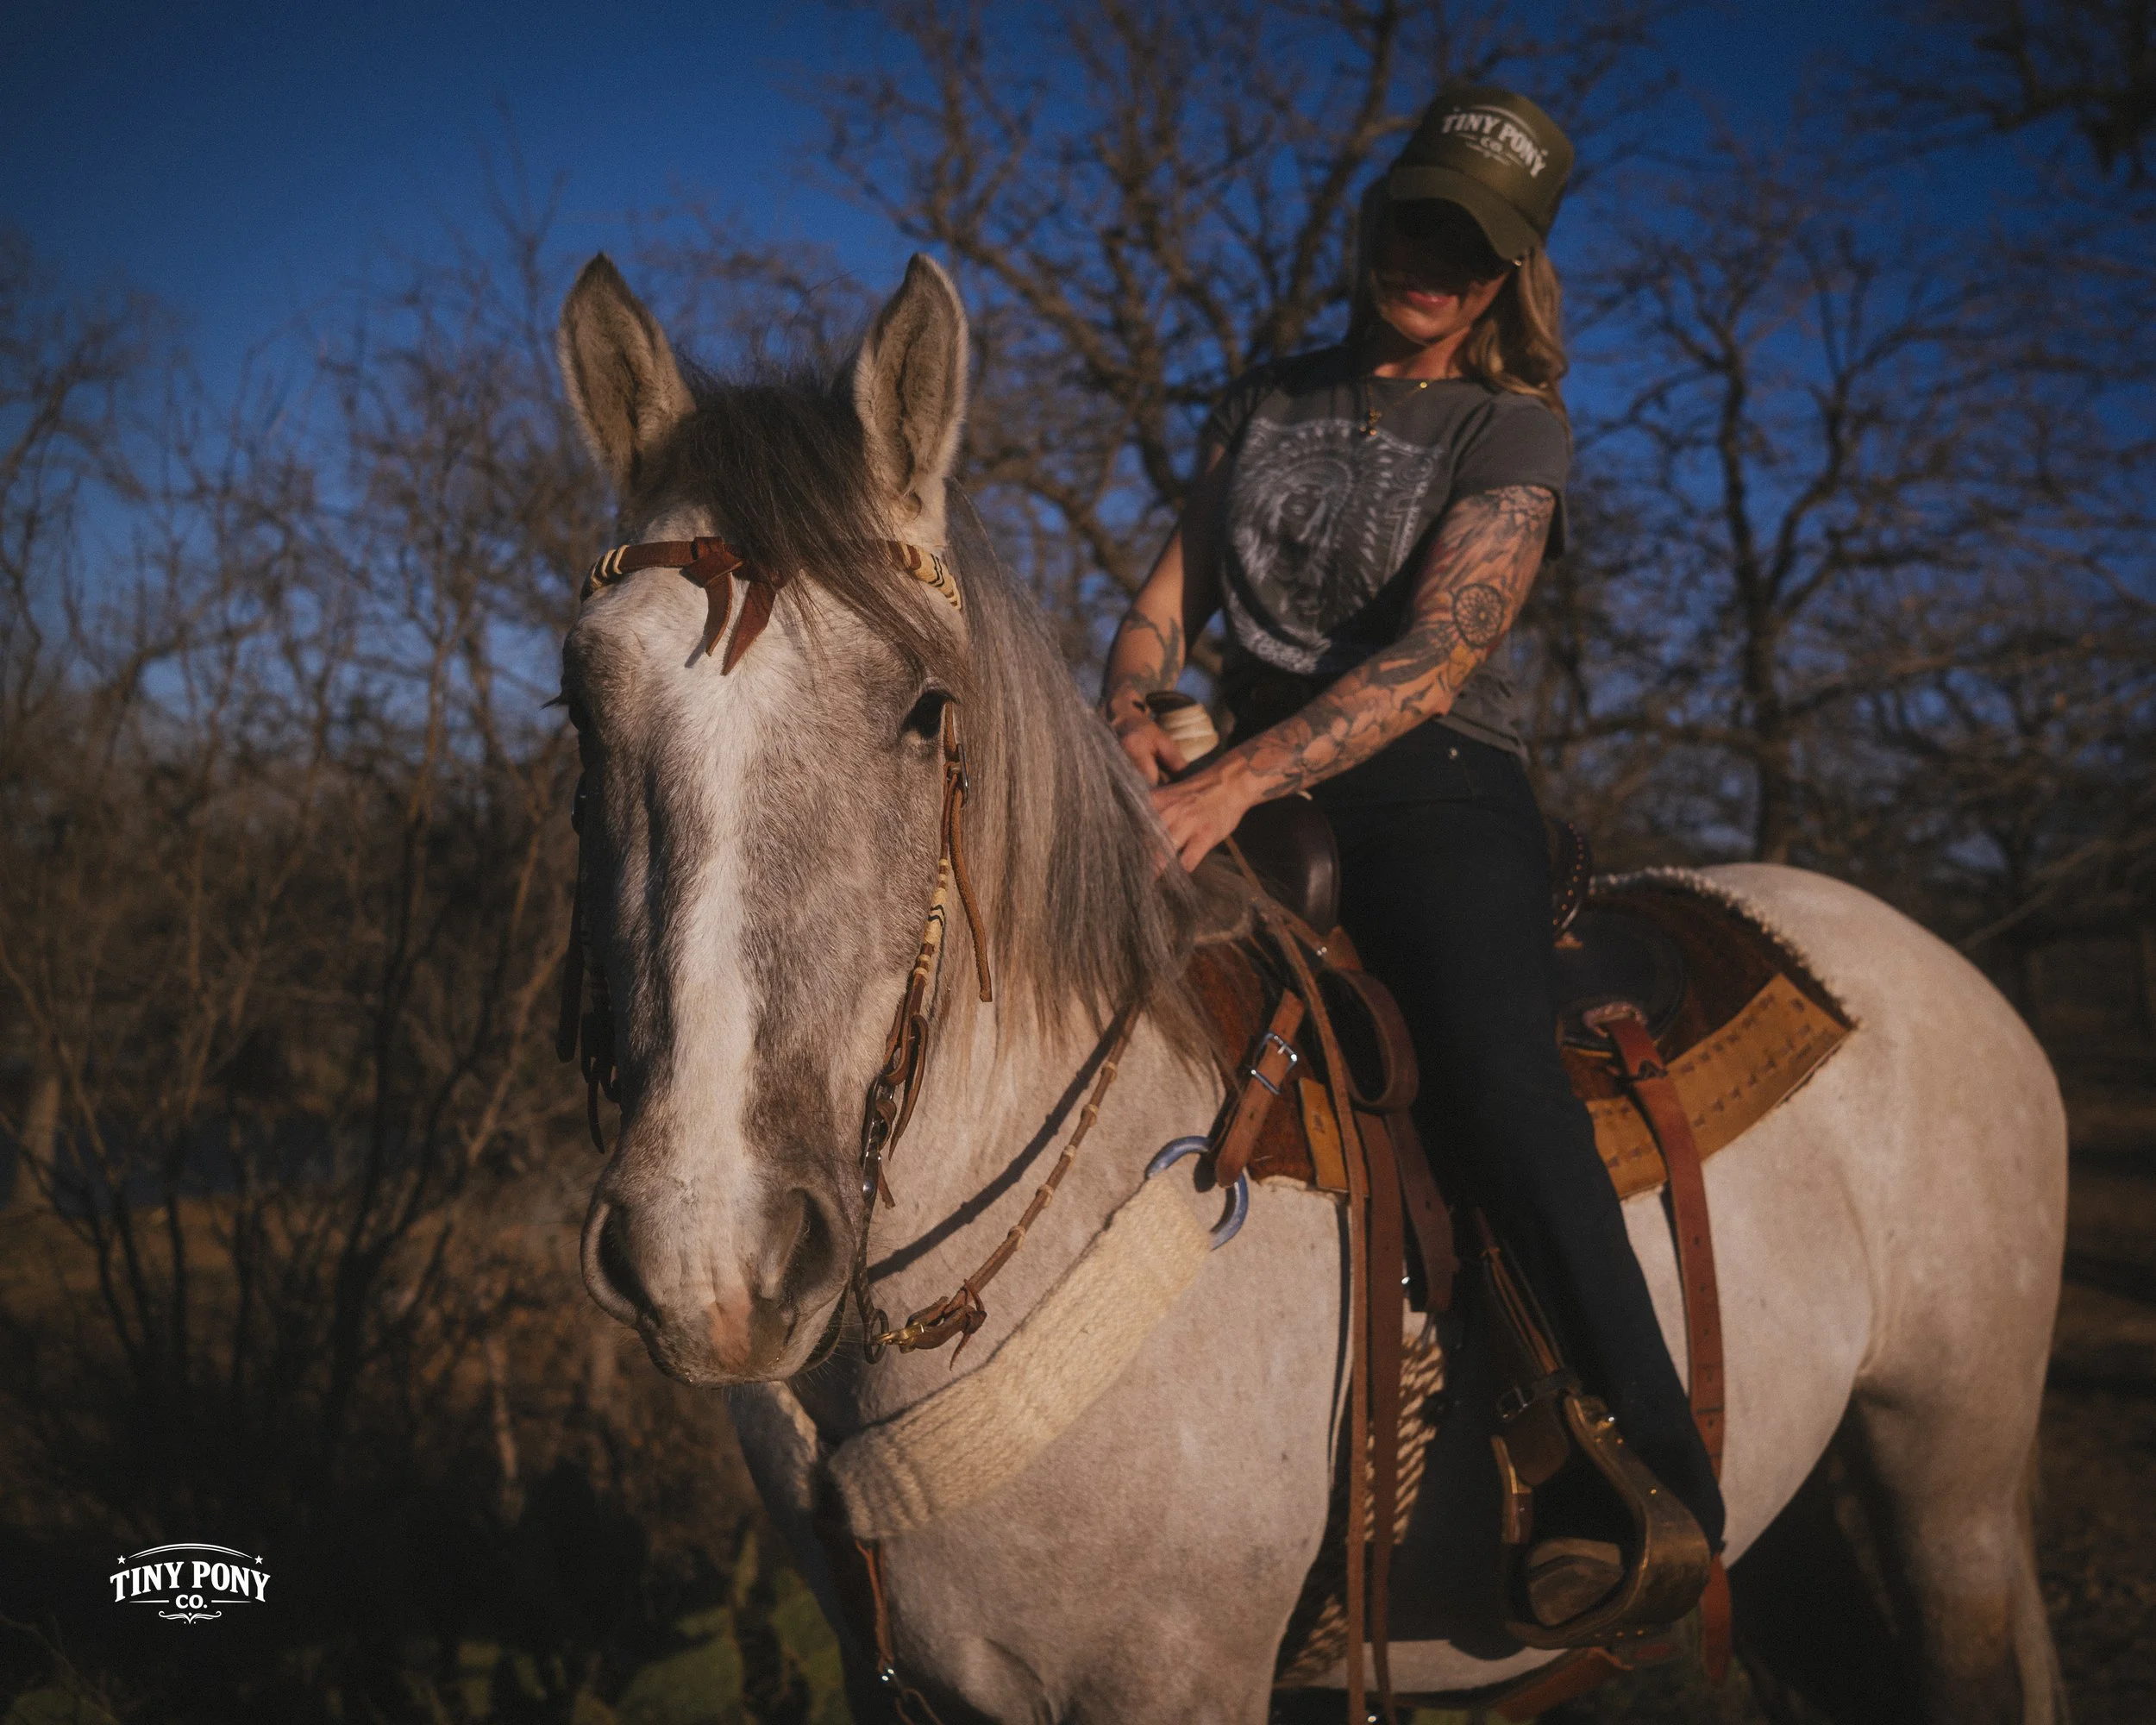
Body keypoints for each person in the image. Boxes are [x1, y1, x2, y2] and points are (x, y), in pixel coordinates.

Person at [1100, 85, 1725, 1628]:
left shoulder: (1513, 425)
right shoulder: (1268, 396)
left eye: (1473, 240)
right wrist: (1129, 702)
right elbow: (1163, 604)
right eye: (1416, 219)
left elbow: (1441, 655)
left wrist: (1230, 783)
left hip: (1427, 784)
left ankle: (1648, 1475)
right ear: (1377, 223)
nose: (1432, 257)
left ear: (1511, 274)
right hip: (1232, 774)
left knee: (1497, 1079)